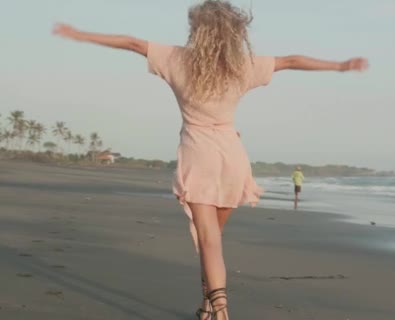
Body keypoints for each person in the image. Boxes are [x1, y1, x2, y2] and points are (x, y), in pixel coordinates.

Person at [52, 1, 368, 319]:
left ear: (196, 29)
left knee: (208, 241)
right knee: (211, 241)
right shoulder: (243, 65)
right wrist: (340, 66)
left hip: (198, 155)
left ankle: (221, 309)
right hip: (232, 157)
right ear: (236, 33)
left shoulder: (176, 58)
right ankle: (207, 308)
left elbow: (132, 43)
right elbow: (291, 60)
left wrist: (80, 34)